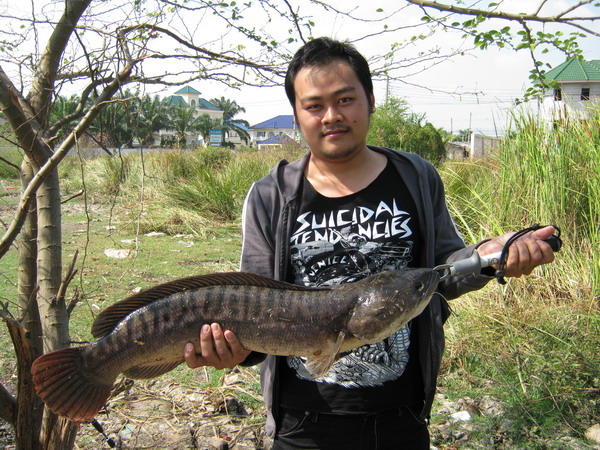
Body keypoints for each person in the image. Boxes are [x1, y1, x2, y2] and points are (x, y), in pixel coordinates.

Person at [183, 37, 556, 449]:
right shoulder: (271, 195)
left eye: (345, 99)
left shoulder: (415, 176)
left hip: (401, 415)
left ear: (371, 99)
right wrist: (232, 351)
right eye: (314, 105)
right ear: (296, 114)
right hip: (303, 424)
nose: (331, 116)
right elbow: (250, 303)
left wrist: (491, 254)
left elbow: (441, 274)